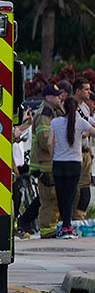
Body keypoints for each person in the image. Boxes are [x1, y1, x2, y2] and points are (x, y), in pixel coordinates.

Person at [48, 96, 95, 238]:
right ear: (76, 109)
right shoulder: (80, 122)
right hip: (74, 164)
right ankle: (67, 227)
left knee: (61, 196)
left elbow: (50, 143)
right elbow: (92, 131)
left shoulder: (55, 122)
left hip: (58, 163)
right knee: (70, 195)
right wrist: (84, 134)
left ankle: (64, 225)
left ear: (64, 108)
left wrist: (52, 158)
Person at [30, 83, 64, 238]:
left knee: (54, 198)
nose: (60, 98)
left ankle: (50, 229)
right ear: (48, 97)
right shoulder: (45, 114)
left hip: (49, 163)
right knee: (50, 199)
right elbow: (45, 140)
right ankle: (47, 232)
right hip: (45, 164)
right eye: (57, 96)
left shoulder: (52, 112)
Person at [72, 78, 93, 219]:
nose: (89, 92)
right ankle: (73, 218)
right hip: (75, 152)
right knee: (76, 189)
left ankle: (81, 218)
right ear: (78, 91)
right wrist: (84, 133)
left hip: (85, 152)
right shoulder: (70, 107)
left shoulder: (85, 107)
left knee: (85, 189)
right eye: (86, 89)